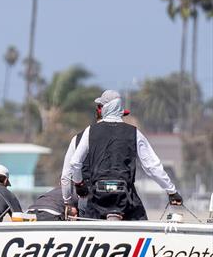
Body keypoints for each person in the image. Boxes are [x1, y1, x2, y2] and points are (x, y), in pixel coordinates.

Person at [62, 89, 182, 220]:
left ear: (105, 108)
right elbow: (152, 167)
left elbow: (74, 163)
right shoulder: (134, 133)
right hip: (125, 196)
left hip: (97, 196)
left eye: (101, 106)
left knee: (87, 224)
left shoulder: (90, 131)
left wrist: (79, 185)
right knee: (143, 226)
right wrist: (171, 191)